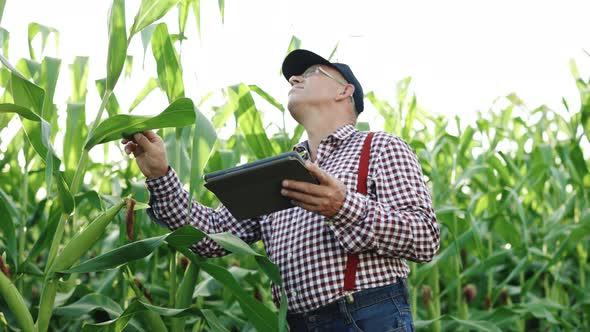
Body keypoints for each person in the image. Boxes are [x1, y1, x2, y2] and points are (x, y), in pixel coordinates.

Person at [122, 49, 440, 331]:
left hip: (366, 316)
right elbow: (212, 237)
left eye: (311, 73)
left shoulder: (380, 147)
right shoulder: (279, 171)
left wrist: (342, 206)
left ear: (345, 91)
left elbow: (425, 238)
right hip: (296, 322)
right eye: (292, 77)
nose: (294, 79)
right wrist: (160, 174)